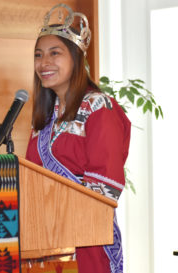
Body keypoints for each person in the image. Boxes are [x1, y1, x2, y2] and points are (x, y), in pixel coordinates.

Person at [25, 3, 131, 273]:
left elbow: (104, 191)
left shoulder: (99, 107)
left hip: (86, 245)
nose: (43, 63)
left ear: (75, 57)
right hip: (42, 246)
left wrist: (53, 214)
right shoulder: (43, 119)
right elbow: (31, 180)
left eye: (54, 53)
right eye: (38, 55)